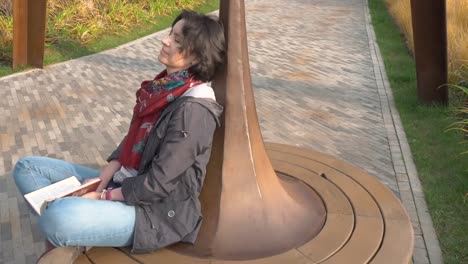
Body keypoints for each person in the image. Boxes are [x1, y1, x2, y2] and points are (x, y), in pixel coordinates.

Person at [13, 10, 225, 263]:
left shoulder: (194, 109)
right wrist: (110, 169)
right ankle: (83, 232)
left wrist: (103, 197)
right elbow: (135, 139)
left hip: (154, 212)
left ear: (196, 56)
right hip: (121, 181)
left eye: (177, 40)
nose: (165, 41)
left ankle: (75, 229)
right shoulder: (163, 89)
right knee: (27, 167)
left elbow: (159, 184)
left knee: (57, 216)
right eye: (170, 33)